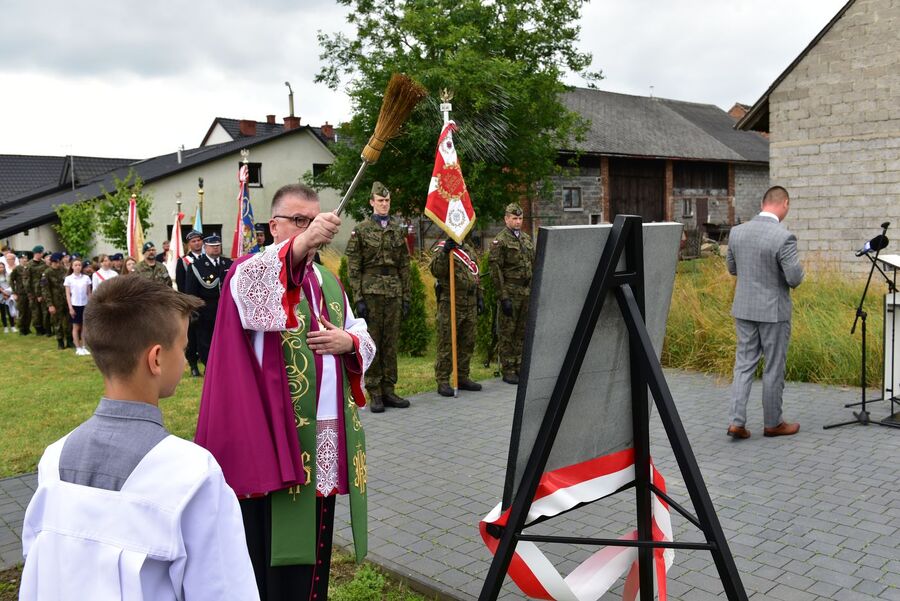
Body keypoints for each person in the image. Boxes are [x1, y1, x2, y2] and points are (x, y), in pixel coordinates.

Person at [20, 276, 259, 601]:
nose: (186, 356)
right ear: (156, 358)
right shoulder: (193, 473)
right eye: (184, 348)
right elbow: (225, 590)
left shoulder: (53, 460)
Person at [196, 183, 374, 601]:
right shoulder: (252, 271)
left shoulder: (328, 281)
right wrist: (305, 241)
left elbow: (359, 328)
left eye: (314, 220)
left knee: (318, 546)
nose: (309, 229)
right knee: (274, 558)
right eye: (298, 220)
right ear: (273, 226)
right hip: (278, 438)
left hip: (326, 432)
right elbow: (262, 286)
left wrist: (350, 343)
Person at [726, 185, 804, 439]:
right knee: (773, 366)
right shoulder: (784, 237)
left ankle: (737, 422)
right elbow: (793, 279)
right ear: (785, 204)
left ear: (763, 203)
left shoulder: (737, 232)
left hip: (745, 308)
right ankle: (773, 423)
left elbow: (732, 269)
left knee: (744, 365)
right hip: (773, 312)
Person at [345, 181, 411, 413]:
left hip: (393, 290)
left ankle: (389, 389)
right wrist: (358, 298)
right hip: (371, 291)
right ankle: (374, 392)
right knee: (372, 342)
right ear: (372, 202)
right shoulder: (361, 230)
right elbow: (353, 267)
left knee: (390, 342)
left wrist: (406, 296)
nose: (384, 204)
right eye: (380, 201)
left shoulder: (398, 228)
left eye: (387, 201)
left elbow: (404, 265)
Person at [430, 236, 484, 397]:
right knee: (447, 341)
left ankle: (462, 376)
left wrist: (480, 296)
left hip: (470, 302)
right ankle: (443, 379)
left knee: (468, 341)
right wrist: (446, 252)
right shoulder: (442, 248)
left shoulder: (467, 249)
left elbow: (476, 274)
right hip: (451, 301)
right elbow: (436, 271)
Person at [489, 202, 534, 385]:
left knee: (522, 331)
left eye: (520, 218)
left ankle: (520, 366)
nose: (517, 221)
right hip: (510, 290)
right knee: (508, 331)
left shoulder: (526, 239)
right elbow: (495, 270)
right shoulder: (500, 241)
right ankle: (508, 369)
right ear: (506, 219)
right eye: (514, 218)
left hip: (526, 290)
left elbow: (533, 262)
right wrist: (503, 296)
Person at [184, 234, 232, 369]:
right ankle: (210, 367)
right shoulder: (196, 266)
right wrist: (194, 312)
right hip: (205, 312)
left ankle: (224, 365)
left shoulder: (228, 263)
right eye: (212, 246)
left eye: (218, 246)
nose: (216, 249)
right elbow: (191, 291)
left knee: (225, 340)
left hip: (225, 311)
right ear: (205, 247)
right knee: (206, 341)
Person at [178, 230, 206, 375]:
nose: (197, 243)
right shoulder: (183, 261)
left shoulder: (207, 258)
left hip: (206, 304)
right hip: (191, 305)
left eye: (199, 240)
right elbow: (182, 285)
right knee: (192, 336)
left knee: (206, 336)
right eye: (193, 241)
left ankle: (207, 362)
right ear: (188, 244)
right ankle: (193, 365)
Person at [42, 252, 72, 350]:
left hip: (66, 301)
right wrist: (50, 305)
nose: (59, 264)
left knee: (68, 321)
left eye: (60, 262)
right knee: (57, 322)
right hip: (55, 302)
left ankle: (69, 340)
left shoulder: (64, 270)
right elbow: (45, 290)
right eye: (58, 262)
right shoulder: (47, 273)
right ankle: (60, 341)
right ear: (54, 262)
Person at [65, 258, 92, 355]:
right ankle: (78, 347)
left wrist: (90, 305)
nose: (77, 267)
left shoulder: (86, 278)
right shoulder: (69, 279)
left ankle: (84, 346)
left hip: (84, 304)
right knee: (76, 327)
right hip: (75, 305)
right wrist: (70, 308)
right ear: (72, 267)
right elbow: (68, 295)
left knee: (84, 326)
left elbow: (89, 293)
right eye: (75, 265)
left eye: (79, 265)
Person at [27, 245, 51, 336]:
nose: (42, 255)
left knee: (44, 311)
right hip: (33, 292)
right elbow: (26, 281)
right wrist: (31, 293)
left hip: (43, 291)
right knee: (36, 311)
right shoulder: (29, 265)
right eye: (40, 253)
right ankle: (38, 329)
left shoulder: (43, 264)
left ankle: (46, 328)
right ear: (36, 253)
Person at [10, 252, 30, 335]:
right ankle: (22, 329)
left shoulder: (29, 268)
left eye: (25, 258)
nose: (24, 260)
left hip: (29, 292)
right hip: (20, 293)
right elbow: (11, 280)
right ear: (19, 259)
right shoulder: (17, 269)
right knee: (22, 311)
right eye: (22, 258)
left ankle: (27, 328)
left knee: (29, 311)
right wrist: (14, 292)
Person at [0, 261, 15, 333]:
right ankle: (5, 327)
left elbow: (11, 284)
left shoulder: (8, 275)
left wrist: (8, 293)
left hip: (9, 294)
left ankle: (13, 326)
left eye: (2, 267)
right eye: (0, 267)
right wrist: (3, 293)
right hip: (1, 295)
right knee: (3, 311)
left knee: (10, 310)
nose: (1, 268)